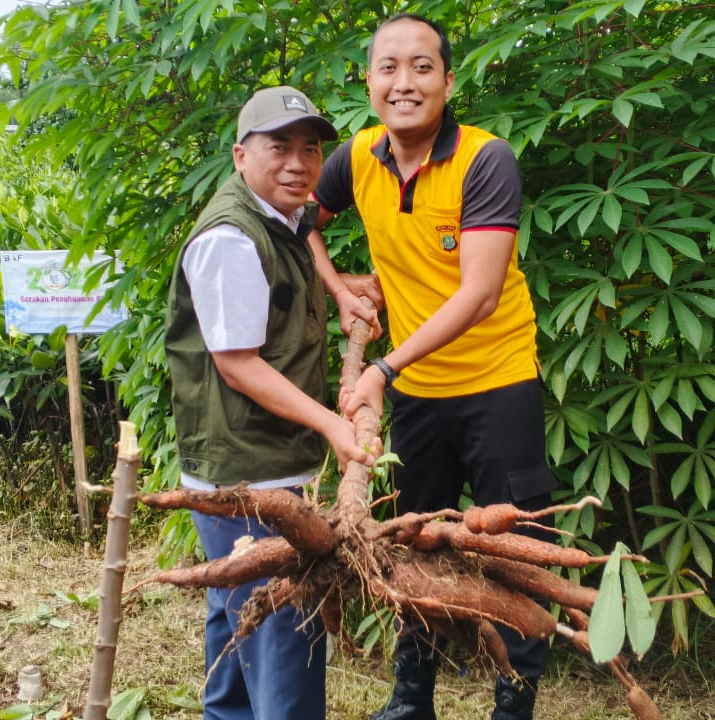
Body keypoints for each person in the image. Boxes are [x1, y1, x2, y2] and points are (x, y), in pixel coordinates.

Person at [307, 14, 558, 720]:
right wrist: (337, 282)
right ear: (369, 80)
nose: (404, 82)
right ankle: (410, 699)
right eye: (388, 67)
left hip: (497, 382)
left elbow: (479, 294)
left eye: (422, 67)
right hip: (418, 394)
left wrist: (381, 368)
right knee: (409, 548)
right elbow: (303, 220)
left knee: (520, 551)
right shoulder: (356, 158)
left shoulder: (486, 159)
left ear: (449, 81)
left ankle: (514, 707)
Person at [164, 85, 376, 720]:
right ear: (239, 155)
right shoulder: (231, 238)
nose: (298, 163)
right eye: (278, 147)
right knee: (282, 640)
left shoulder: (282, 220)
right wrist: (335, 426)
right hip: (249, 477)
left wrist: (341, 291)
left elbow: (307, 248)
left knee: (238, 631)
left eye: (309, 148)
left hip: (261, 466)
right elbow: (238, 366)